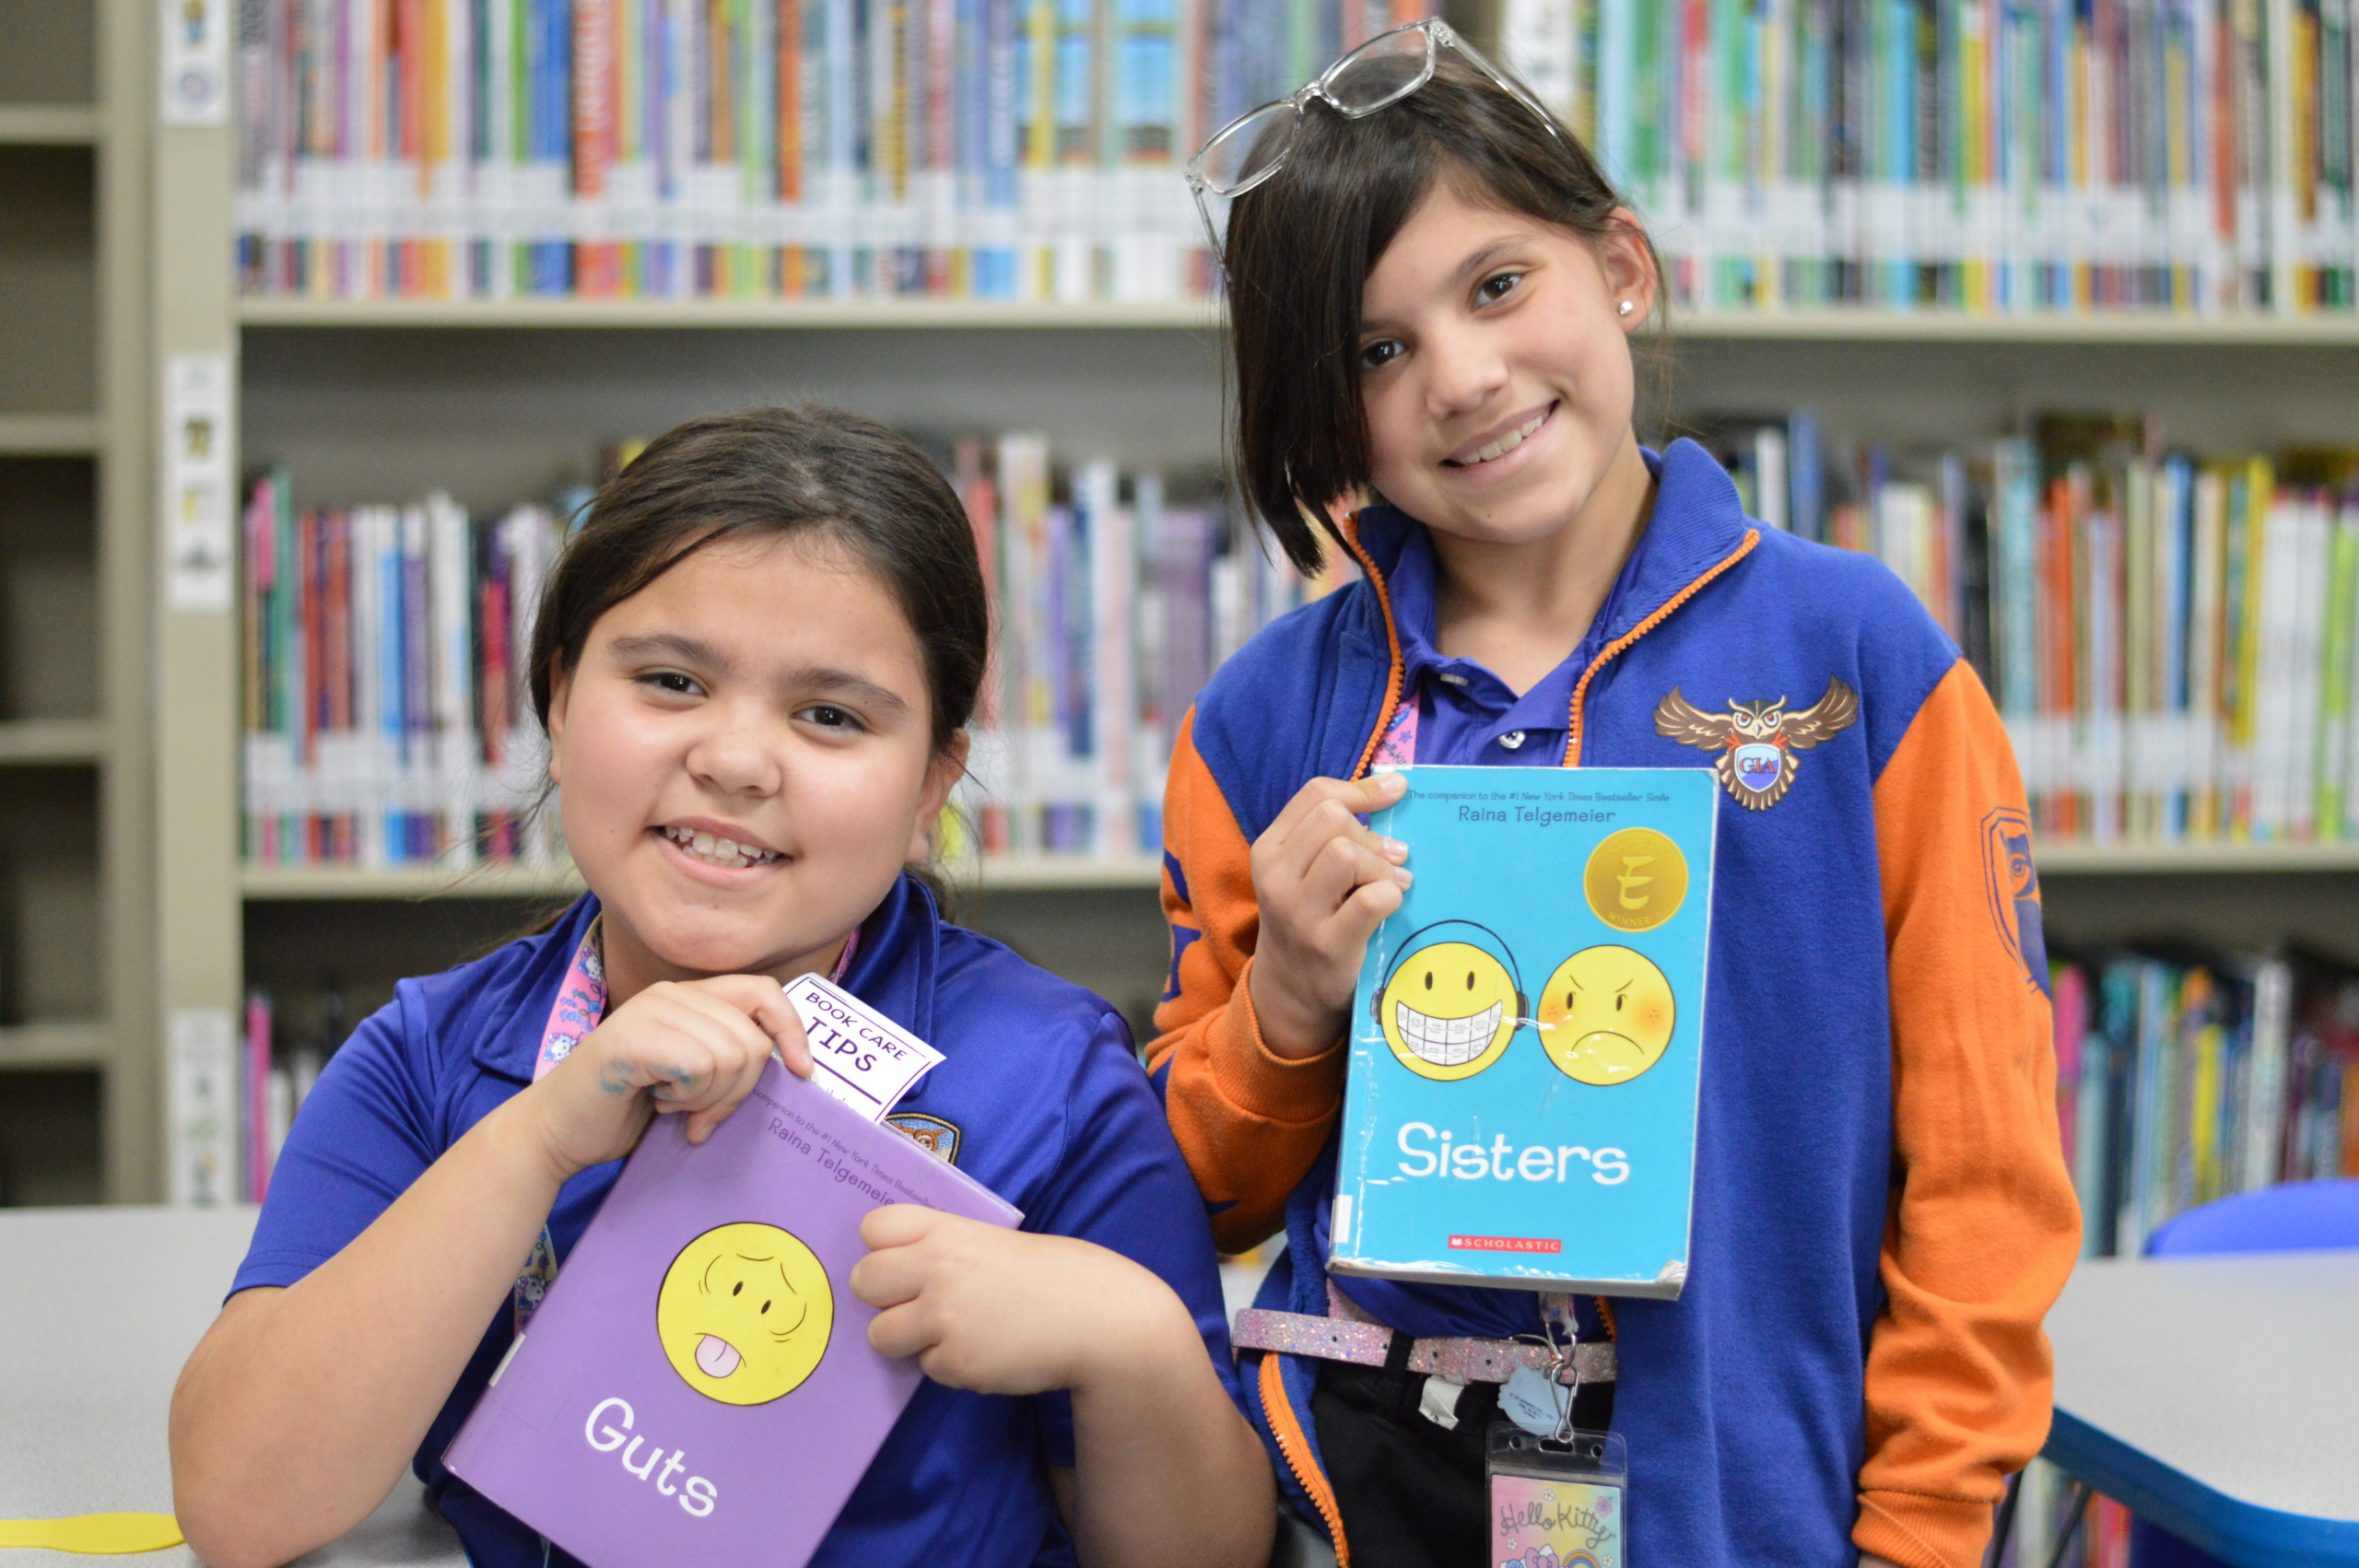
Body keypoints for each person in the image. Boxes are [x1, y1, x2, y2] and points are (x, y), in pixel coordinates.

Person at [1150, 20, 2080, 1568]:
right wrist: (1290, 1011)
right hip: (1385, 1490)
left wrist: (1921, 1529)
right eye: (1379, 350)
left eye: (1498, 286)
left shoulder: (1858, 656)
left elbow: (1986, 1170)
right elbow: (1200, 1189)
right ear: (1329, 405)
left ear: (1622, 270)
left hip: (1752, 1503)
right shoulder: (1262, 722)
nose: (1463, 377)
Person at [170, 405, 1274, 1568]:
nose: (736, 760)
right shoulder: (432, 1058)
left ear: (930, 784)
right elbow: (243, 1506)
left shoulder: (1051, 1077)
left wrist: (1130, 1341)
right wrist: (536, 1140)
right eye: (669, 680)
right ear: (555, 700)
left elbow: (1202, 1554)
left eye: (830, 715)